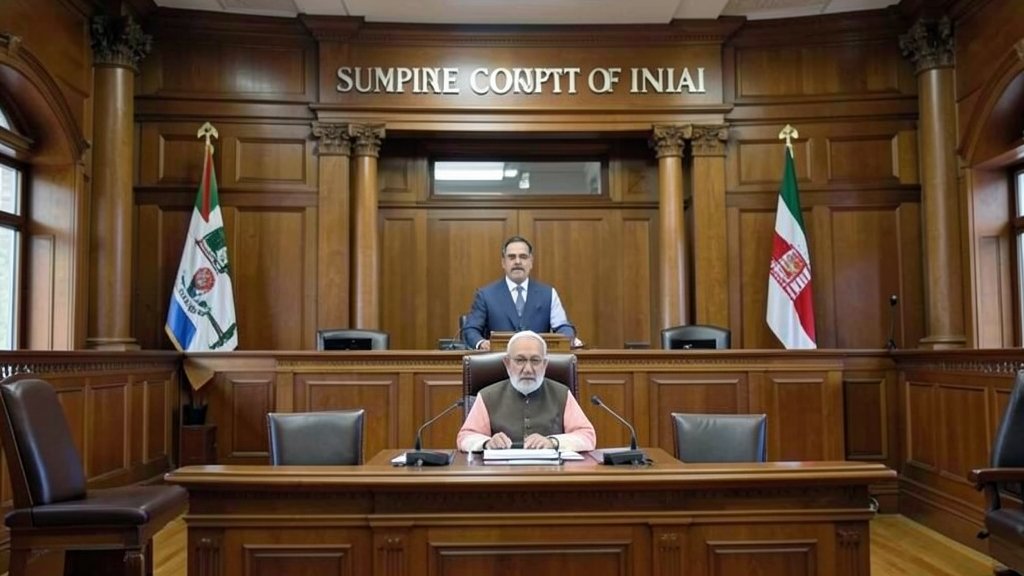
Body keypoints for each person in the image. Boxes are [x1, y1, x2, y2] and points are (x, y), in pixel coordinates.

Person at [457, 330, 596, 452]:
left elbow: (587, 436)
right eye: (520, 360)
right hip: (502, 475)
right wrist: (487, 443)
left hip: (551, 475)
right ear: (507, 363)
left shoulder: (562, 393)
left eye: (535, 361)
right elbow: (465, 437)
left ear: (545, 364)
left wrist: (553, 442)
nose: (528, 369)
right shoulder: (487, 395)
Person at [462, 235, 580, 351]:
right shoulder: (485, 295)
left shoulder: (548, 293)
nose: (517, 262)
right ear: (503, 262)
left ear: (531, 262)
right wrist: (481, 343)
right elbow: (471, 329)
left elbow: (563, 326)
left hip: (538, 364)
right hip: (499, 364)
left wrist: (568, 337)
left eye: (523, 257)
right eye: (512, 257)